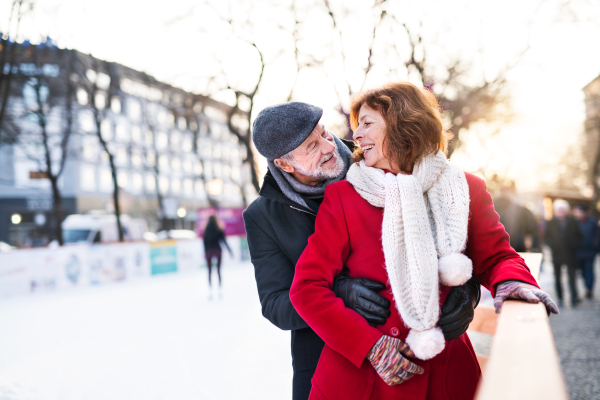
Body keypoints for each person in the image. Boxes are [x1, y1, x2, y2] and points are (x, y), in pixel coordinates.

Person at [289, 82, 558, 400]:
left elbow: (499, 257)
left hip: (442, 376)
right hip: (361, 381)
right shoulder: (344, 197)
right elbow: (307, 289)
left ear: (403, 122)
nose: (356, 136)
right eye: (356, 126)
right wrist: (370, 346)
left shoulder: (465, 188)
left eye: (367, 123)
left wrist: (513, 283)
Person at [243, 102, 481, 400]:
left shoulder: (374, 160)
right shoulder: (263, 216)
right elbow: (275, 303)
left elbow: (444, 234)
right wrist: (337, 293)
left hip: (414, 347)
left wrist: (468, 291)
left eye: (325, 133)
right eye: (311, 146)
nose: (328, 146)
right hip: (328, 359)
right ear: (284, 164)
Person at [544, 200, 583, 306]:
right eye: (559, 210)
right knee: (557, 277)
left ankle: (574, 298)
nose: (561, 212)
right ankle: (560, 297)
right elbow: (546, 238)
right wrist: (553, 246)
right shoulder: (550, 222)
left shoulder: (573, 221)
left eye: (562, 210)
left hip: (570, 254)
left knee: (572, 276)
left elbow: (579, 236)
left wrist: (574, 246)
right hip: (557, 254)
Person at [494, 180, 540, 252]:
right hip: (516, 250)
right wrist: (534, 248)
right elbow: (533, 230)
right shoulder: (521, 210)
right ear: (511, 193)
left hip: (493, 250)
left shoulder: (487, 210)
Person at [573, 204, 598, 299]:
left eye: (579, 212)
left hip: (590, 251)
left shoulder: (592, 221)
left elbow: (597, 235)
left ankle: (589, 289)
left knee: (589, 270)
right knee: (582, 270)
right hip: (578, 251)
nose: (577, 214)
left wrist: (596, 248)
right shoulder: (574, 222)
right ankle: (587, 286)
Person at [202, 215, 232, 288]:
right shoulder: (219, 229)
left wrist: (205, 251)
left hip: (209, 250)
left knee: (209, 270)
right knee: (218, 270)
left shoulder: (206, 229)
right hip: (217, 250)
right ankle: (220, 286)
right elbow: (223, 241)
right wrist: (230, 250)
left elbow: (204, 242)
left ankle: (210, 286)